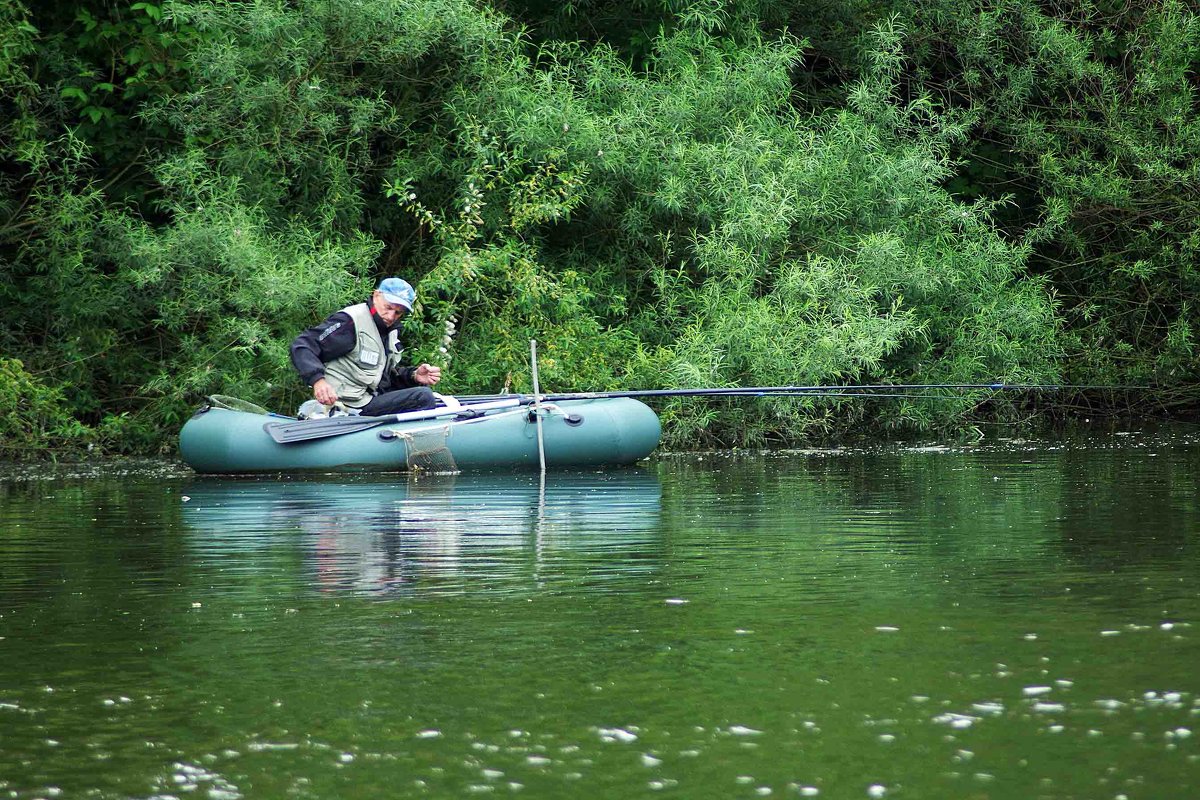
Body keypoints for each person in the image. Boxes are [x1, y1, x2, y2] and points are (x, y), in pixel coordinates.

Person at [290, 277, 441, 416]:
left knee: (425, 392)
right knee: (423, 397)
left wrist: (414, 375)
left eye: (397, 313)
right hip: (348, 405)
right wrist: (318, 381)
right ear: (376, 295)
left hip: (370, 398)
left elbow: (383, 378)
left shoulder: (388, 331)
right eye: (387, 307)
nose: (390, 316)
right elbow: (303, 345)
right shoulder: (350, 322)